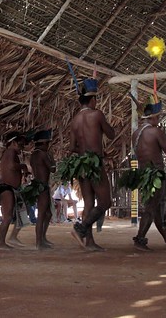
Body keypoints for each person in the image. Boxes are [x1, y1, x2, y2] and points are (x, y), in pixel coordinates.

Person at [69, 78, 115, 251]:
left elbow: (72, 147)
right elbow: (111, 134)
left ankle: (89, 242)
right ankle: (80, 228)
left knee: (89, 203)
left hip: (81, 165)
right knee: (105, 202)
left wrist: (84, 148)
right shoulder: (97, 114)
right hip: (94, 163)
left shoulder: (74, 121)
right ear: (93, 99)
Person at [132, 96, 166, 251]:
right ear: (153, 117)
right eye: (158, 117)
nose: (159, 119)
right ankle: (140, 238)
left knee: (156, 208)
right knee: (151, 208)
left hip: (144, 175)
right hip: (156, 174)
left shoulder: (135, 134)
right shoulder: (156, 131)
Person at [0, 132, 27, 249]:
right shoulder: (10, 152)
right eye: (20, 144)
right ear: (13, 143)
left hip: (12, 189)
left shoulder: (12, 153)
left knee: (21, 214)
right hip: (7, 188)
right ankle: (0, 242)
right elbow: (11, 166)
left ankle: (12, 237)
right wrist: (23, 167)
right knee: (7, 217)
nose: (22, 147)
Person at [30, 129, 55, 250]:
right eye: (48, 143)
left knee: (48, 213)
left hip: (38, 185)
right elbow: (53, 169)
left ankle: (42, 238)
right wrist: (52, 159)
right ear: (44, 143)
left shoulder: (34, 154)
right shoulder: (42, 154)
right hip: (42, 186)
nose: (48, 146)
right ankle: (39, 242)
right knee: (41, 215)